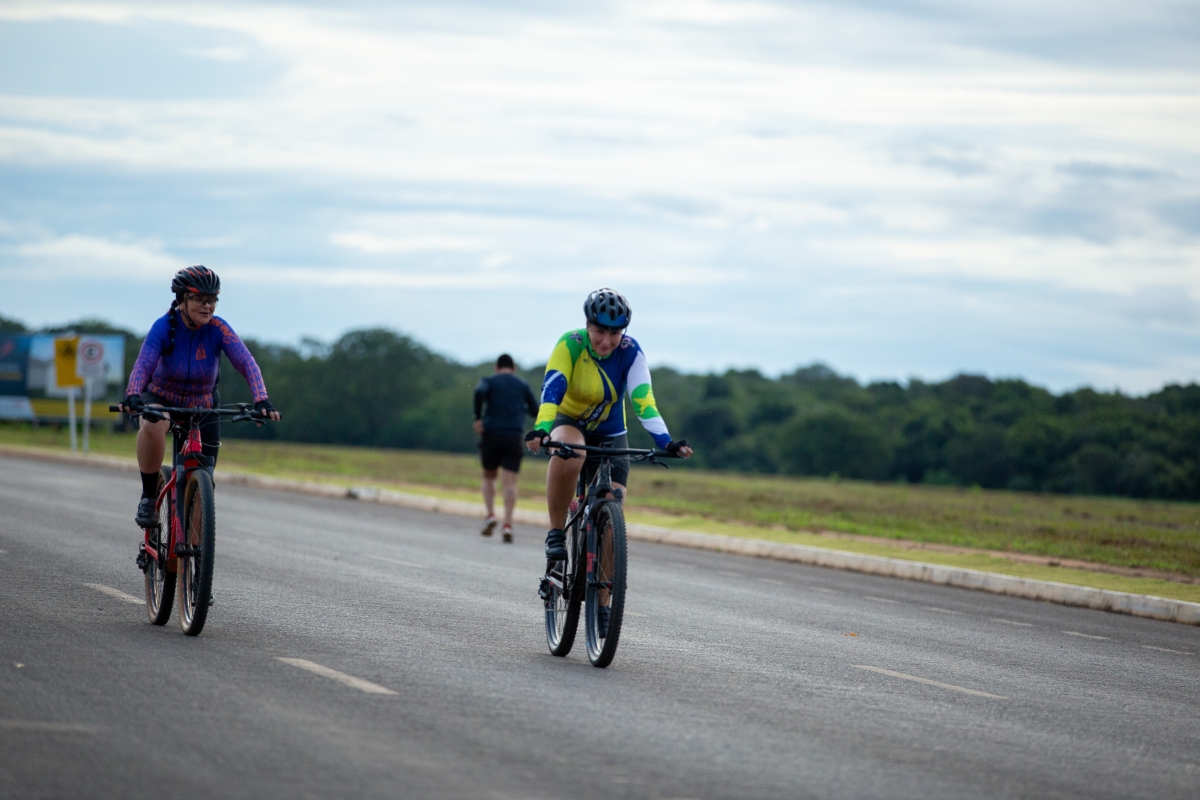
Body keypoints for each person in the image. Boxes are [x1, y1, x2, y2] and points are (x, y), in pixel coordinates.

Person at [525, 288, 691, 560]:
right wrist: (542, 428)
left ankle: (603, 588)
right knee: (571, 450)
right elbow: (552, 391)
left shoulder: (630, 351)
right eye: (600, 331)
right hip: (570, 421)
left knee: (613, 520)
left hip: (610, 431)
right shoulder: (571, 344)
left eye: (615, 333)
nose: (606, 340)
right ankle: (555, 532)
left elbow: (643, 401)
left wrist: (665, 441)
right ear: (588, 325)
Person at [121, 266, 280, 537]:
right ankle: (148, 496)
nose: (207, 306)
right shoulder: (164, 326)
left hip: (203, 404)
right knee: (153, 423)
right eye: (199, 299)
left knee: (204, 483)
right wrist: (133, 394)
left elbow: (246, 361)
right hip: (161, 397)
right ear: (182, 300)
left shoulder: (218, 328)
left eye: (212, 299)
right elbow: (144, 363)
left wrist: (261, 399)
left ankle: (192, 553)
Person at [473, 354, 539, 543]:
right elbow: (536, 410)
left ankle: (490, 515)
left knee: (489, 476)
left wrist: (477, 416)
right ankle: (508, 524)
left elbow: (478, 392)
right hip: (514, 437)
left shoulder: (489, 381)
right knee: (510, 483)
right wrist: (521, 409)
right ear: (514, 367)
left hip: (491, 435)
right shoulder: (522, 384)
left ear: (497, 367)